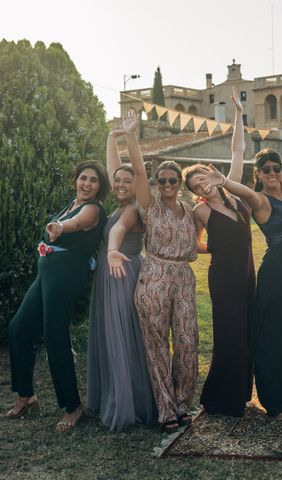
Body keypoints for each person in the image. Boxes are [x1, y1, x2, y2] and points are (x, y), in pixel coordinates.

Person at [197, 96, 282, 420]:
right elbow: (243, 191)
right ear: (259, 174)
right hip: (278, 274)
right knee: (275, 337)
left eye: (277, 167)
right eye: (267, 169)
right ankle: (277, 402)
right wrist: (224, 182)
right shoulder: (260, 199)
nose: (274, 172)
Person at [7, 161, 108, 432]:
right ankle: (26, 395)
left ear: (100, 187)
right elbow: (69, 218)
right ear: (75, 179)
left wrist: (62, 228)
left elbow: (76, 224)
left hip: (65, 278)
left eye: (93, 180)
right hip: (46, 277)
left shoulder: (92, 209)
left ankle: (73, 406)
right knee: (18, 329)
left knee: (55, 337)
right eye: (83, 178)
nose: (87, 184)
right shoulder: (71, 203)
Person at [183, 88, 255, 417]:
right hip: (223, 277)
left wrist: (240, 114)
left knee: (247, 331)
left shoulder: (233, 191)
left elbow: (238, 150)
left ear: (212, 173)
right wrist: (212, 247)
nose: (203, 186)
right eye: (197, 186)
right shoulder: (200, 212)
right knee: (229, 334)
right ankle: (220, 398)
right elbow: (192, 247)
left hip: (247, 272)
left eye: (203, 178)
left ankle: (240, 394)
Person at [86, 109, 155, 431]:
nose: (122, 184)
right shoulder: (119, 199)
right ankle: (112, 394)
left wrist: (112, 251)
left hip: (123, 273)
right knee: (113, 335)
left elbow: (119, 229)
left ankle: (129, 403)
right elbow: (118, 169)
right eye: (118, 181)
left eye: (127, 181)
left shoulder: (134, 209)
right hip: (109, 275)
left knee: (123, 338)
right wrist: (112, 136)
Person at [129, 125, 198, 433]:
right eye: (162, 180)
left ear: (180, 183)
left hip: (184, 276)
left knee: (187, 341)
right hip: (154, 276)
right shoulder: (151, 207)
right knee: (156, 345)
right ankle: (166, 409)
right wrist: (132, 137)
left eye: (173, 180)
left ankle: (183, 402)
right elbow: (140, 175)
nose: (167, 184)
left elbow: (195, 244)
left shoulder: (191, 211)